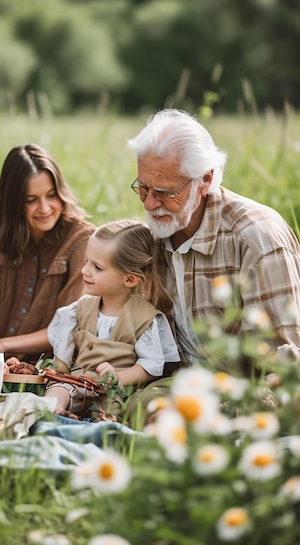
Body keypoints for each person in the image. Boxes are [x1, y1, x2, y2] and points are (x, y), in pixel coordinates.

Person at [127, 108, 300, 367]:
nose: (150, 204)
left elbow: (284, 364)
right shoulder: (156, 233)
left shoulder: (256, 239)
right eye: (143, 188)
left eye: (164, 192)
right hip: (172, 382)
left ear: (205, 180)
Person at [0, 144, 95, 363]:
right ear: (14, 203)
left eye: (51, 195)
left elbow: (67, 327)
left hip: (45, 367)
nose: (45, 208)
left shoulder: (82, 240)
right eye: (31, 200)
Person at [44, 219, 180, 419]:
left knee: (111, 406)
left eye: (97, 267)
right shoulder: (80, 309)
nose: (85, 270)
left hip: (114, 391)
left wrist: (117, 377)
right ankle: (53, 412)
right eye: (86, 261)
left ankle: (98, 424)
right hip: (78, 382)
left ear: (129, 279)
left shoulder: (143, 317)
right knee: (60, 388)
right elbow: (63, 359)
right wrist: (57, 370)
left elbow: (151, 367)